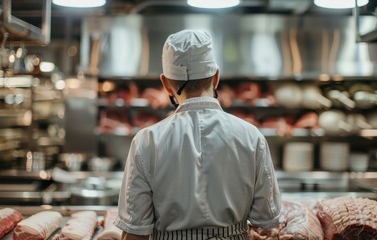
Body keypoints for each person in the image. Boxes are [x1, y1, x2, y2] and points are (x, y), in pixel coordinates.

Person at [114, 29, 281, 240]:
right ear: (216, 77)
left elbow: (134, 233)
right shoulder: (252, 136)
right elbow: (266, 221)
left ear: (165, 83)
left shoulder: (146, 141)